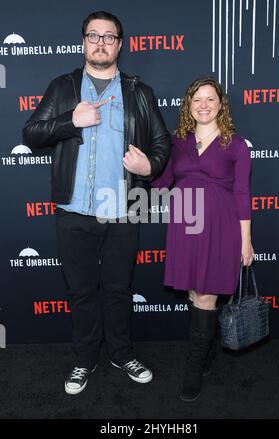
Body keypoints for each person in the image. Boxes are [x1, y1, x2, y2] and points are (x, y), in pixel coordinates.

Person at [23, 10, 171, 395]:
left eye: (109, 36)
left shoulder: (139, 91)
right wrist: (72, 120)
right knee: (82, 291)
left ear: (120, 44)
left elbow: (163, 142)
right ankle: (84, 359)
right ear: (84, 42)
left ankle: (121, 353)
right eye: (94, 35)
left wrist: (150, 165)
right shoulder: (63, 87)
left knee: (119, 289)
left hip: (124, 209)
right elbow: (32, 132)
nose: (101, 42)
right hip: (74, 211)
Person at [151, 76, 254, 402]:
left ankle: (193, 369)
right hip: (185, 226)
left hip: (220, 228)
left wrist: (246, 240)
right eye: (198, 99)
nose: (204, 105)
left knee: (206, 297)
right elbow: (162, 182)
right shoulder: (177, 141)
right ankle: (208, 353)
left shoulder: (234, 144)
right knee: (195, 295)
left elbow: (242, 193)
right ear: (189, 105)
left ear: (221, 105)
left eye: (210, 99)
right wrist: (141, 169)